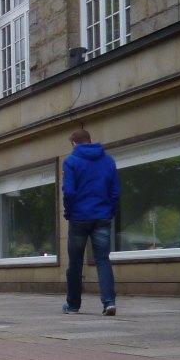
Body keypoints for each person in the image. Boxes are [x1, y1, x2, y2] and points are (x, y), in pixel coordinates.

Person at [62, 128, 120, 315]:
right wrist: (108, 211)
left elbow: (69, 191)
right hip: (102, 216)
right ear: (90, 140)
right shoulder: (108, 161)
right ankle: (109, 302)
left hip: (79, 217)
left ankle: (73, 305)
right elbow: (115, 192)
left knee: (75, 262)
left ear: (74, 143)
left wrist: (69, 211)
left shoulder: (71, 161)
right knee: (103, 259)